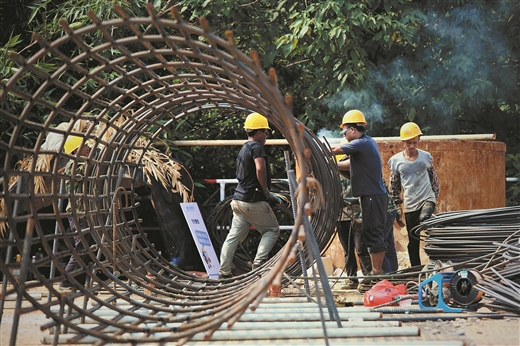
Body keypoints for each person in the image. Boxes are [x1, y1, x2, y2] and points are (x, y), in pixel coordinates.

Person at [218, 113, 280, 279]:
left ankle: (224, 272)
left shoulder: (245, 147)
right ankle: (258, 266)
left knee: (233, 237)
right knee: (272, 230)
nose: (267, 136)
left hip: (238, 201)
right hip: (253, 200)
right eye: (265, 132)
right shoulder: (257, 147)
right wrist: (267, 193)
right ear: (259, 132)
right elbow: (260, 168)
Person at [331, 110, 387, 288]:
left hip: (372, 196)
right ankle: (375, 273)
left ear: (353, 130)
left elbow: (334, 151)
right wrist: (332, 166)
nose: (344, 135)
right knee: (371, 234)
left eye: (344, 131)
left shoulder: (360, 143)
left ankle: (377, 273)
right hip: (371, 195)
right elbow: (346, 164)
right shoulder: (366, 144)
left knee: (373, 234)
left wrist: (312, 150)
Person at [388, 122, 440, 267]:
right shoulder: (397, 161)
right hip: (410, 203)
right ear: (403, 142)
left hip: (427, 198)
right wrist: (397, 205)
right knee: (413, 240)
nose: (412, 145)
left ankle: (435, 262)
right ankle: (416, 269)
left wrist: (435, 197)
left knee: (425, 219)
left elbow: (433, 178)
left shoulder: (425, 157)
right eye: (409, 142)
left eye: (414, 142)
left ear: (418, 140)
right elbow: (394, 184)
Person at [335, 152, 372, 290]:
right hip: (341, 216)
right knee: (348, 250)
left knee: (361, 248)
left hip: (357, 215)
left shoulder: (357, 171)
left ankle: (368, 278)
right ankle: (352, 279)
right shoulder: (333, 175)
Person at [60, 135, 92, 288]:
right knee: (81, 247)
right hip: (78, 213)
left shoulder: (78, 163)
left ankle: (77, 281)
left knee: (85, 247)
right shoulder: (73, 165)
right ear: (76, 150)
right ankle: (67, 279)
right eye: (85, 146)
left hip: (82, 212)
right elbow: (84, 174)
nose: (87, 148)